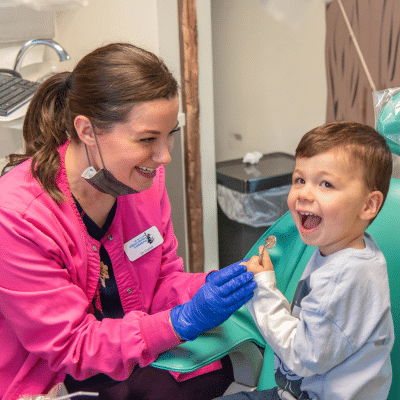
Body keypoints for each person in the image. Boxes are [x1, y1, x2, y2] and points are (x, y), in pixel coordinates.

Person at [0, 42, 257, 400]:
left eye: (170, 135)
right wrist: (180, 322)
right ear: (87, 131)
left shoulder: (143, 183)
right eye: (147, 139)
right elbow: (72, 347)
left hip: (127, 361)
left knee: (231, 367)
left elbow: (161, 282)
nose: (164, 156)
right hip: (52, 379)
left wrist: (212, 289)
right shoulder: (17, 217)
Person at [216, 122, 394, 400]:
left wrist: (263, 291)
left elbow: (304, 356)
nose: (304, 194)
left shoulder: (345, 276)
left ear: (368, 205)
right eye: (299, 179)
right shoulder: (344, 248)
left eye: (325, 184)